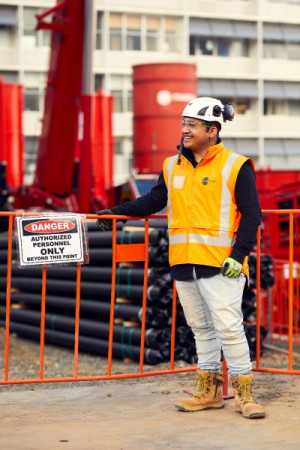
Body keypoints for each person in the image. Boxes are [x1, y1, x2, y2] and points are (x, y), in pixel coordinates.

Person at [96, 97, 265, 419]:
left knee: (229, 328)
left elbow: (252, 215)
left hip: (221, 264)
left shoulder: (235, 165)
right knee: (200, 328)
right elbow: (154, 201)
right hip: (184, 262)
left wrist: (239, 255)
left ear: (212, 131)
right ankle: (210, 390)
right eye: (184, 123)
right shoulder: (172, 165)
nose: (185, 130)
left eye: (193, 125)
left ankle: (246, 394)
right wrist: (116, 213)